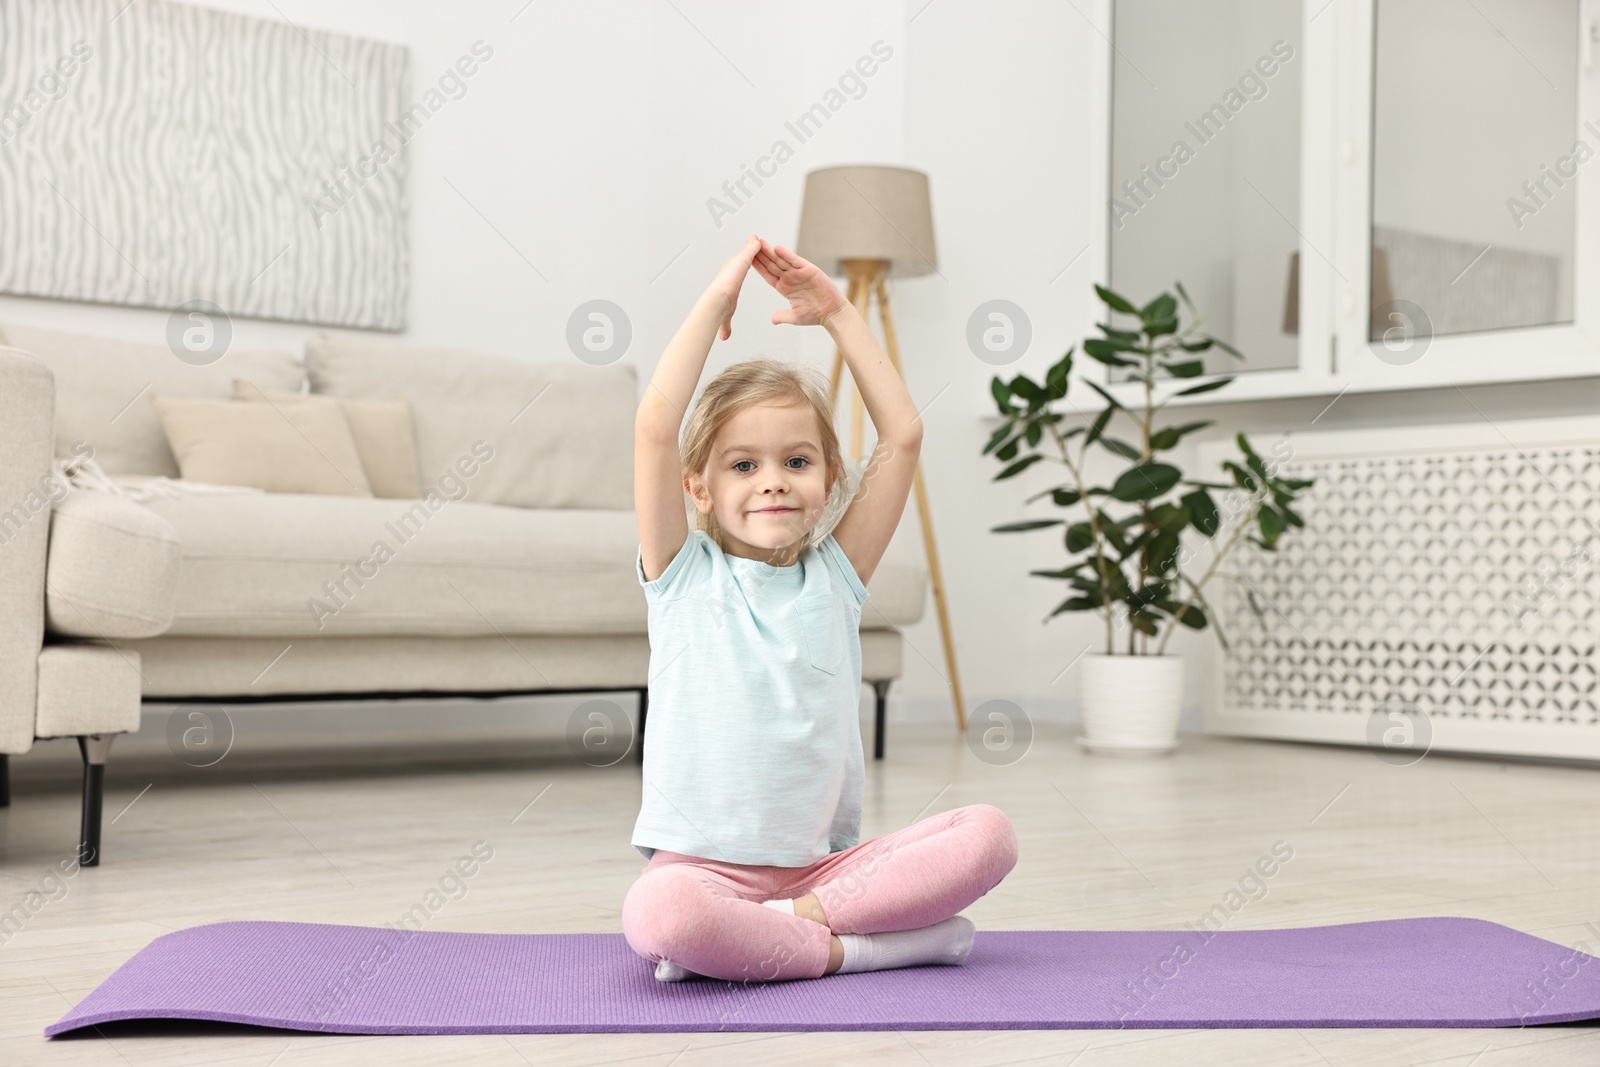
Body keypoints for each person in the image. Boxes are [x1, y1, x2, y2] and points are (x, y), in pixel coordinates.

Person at [622, 234, 1018, 983]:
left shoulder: (834, 575)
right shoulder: (682, 575)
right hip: (704, 874)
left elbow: (903, 434)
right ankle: (869, 950)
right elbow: (653, 428)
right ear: (700, 487)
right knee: (659, 914)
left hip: (824, 875)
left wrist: (836, 311)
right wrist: (715, 304)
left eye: (796, 462)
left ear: (829, 477)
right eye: (744, 464)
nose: (772, 481)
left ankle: (780, 938)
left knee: (988, 834)